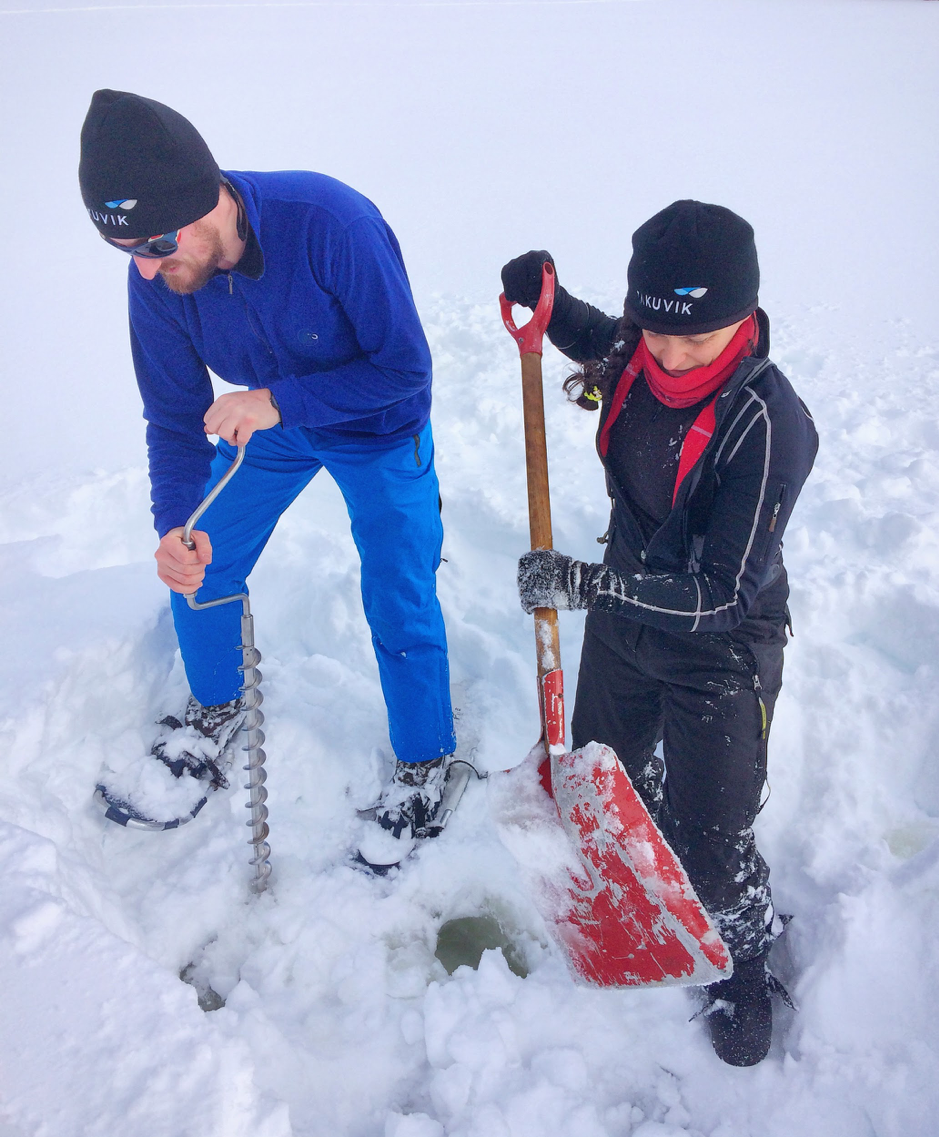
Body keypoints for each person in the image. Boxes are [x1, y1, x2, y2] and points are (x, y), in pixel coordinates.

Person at [79, 90, 455, 846]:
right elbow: (173, 419)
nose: (145, 273)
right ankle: (215, 709)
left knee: (397, 590)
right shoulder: (154, 277)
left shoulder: (329, 224)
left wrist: (279, 400)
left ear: (198, 204)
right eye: (126, 254)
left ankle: (426, 762)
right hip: (270, 426)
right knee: (199, 555)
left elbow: (406, 369)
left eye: (152, 247)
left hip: (377, 427)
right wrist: (173, 526)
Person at [502, 201, 818, 1066]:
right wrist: (551, 305)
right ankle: (637, 887)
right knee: (604, 774)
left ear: (743, 318)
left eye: (698, 338)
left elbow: (720, 592)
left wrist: (584, 583)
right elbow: (608, 340)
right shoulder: (639, 355)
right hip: (624, 618)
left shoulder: (768, 425)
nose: (672, 356)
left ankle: (741, 953)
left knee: (712, 844)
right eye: (656, 333)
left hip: (718, 649)